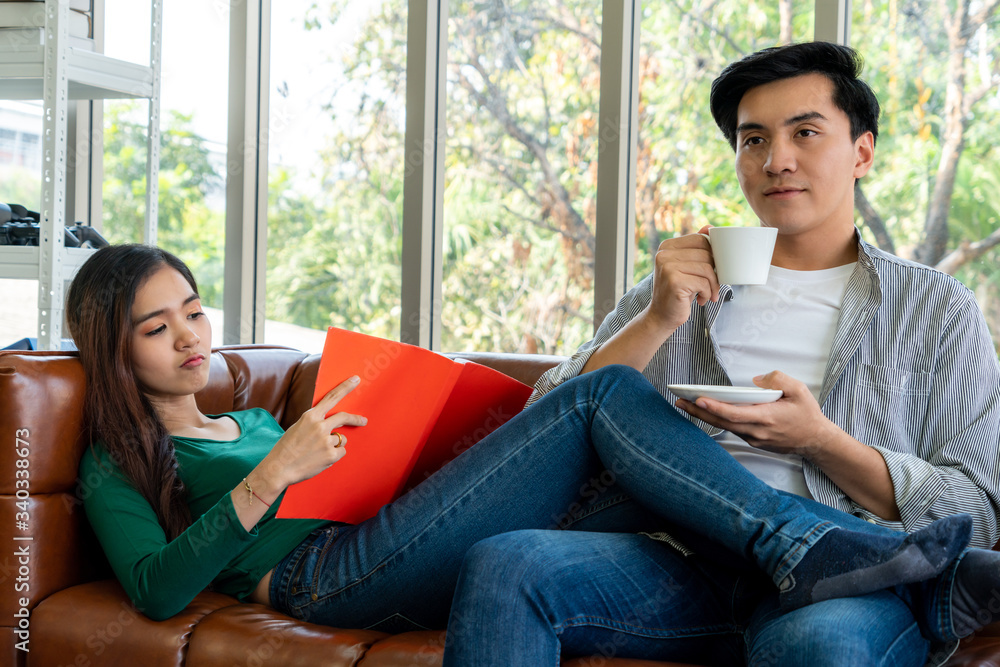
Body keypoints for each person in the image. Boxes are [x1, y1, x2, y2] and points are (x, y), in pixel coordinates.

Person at [441, 42, 1000, 667]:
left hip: (846, 583)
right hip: (678, 562)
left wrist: (822, 442)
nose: (776, 160)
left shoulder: (937, 309)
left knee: (820, 648)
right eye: (753, 140)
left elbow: (975, 515)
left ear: (862, 151)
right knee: (508, 563)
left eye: (806, 132)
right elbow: (544, 435)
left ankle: (817, 549)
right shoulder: (676, 286)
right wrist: (656, 320)